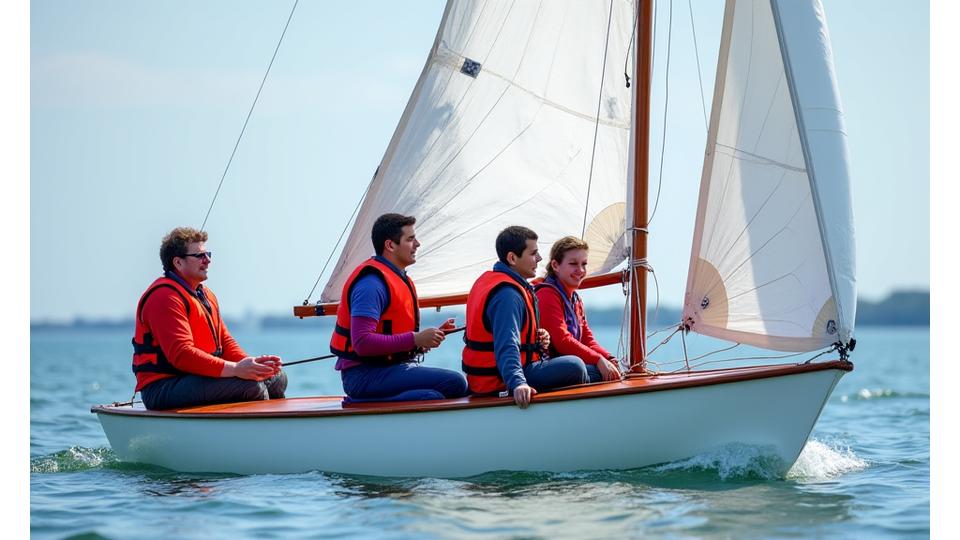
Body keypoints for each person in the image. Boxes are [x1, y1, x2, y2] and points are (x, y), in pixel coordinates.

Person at [132, 227, 287, 410]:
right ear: (178, 262)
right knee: (251, 387)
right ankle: (263, 426)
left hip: (197, 378)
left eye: (208, 254)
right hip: (163, 388)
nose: (208, 260)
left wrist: (252, 366)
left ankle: (279, 424)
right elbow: (182, 355)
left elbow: (225, 342)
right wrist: (236, 369)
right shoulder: (164, 297)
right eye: (199, 256)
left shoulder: (206, 295)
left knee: (277, 378)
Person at [330, 213, 469, 402]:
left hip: (388, 369)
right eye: (410, 239)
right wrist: (416, 338)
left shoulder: (398, 278)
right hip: (363, 376)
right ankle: (362, 402)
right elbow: (362, 342)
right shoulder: (371, 285)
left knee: (440, 393)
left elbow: (391, 335)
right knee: (455, 383)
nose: (417, 244)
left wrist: (423, 341)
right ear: (390, 245)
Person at [462, 226, 590, 408]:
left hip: (502, 374)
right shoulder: (508, 294)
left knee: (591, 371)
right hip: (500, 381)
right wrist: (518, 383)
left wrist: (538, 339)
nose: (539, 258)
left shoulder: (503, 284)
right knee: (576, 366)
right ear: (512, 258)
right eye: (533, 253)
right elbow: (507, 343)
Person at [534, 236, 622, 383]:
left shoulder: (575, 299)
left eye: (584, 264)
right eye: (573, 264)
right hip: (546, 367)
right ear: (555, 265)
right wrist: (598, 360)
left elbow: (587, 340)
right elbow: (562, 341)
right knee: (578, 367)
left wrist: (608, 358)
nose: (580, 270)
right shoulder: (546, 294)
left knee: (610, 367)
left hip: (565, 365)